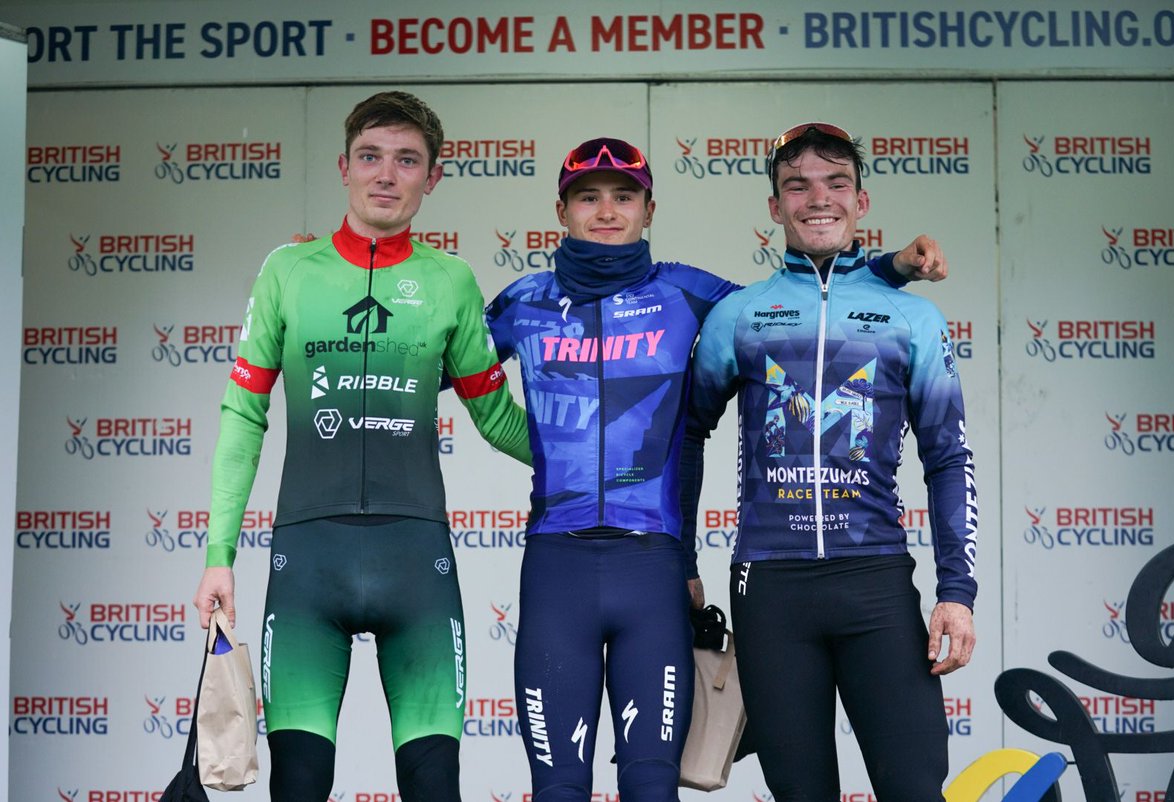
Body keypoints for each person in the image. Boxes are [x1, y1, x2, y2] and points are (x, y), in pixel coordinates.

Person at [484, 136, 947, 801]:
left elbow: (801, 302)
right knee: (558, 788)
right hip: (557, 564)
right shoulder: (524, 299)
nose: (607, 212)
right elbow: (437, 355)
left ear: (649, 208)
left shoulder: (688, 291)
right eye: (589, 197)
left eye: (623, 197)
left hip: (653, 568)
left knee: (653, 787)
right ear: (561, 210)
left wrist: (890, 267)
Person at [191, 90, 531, 802]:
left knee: (436, 785)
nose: (386, 174)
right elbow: (243, 413)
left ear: (432, 177)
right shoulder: (289, 272)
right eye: (371, 157)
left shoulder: (451, 282)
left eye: (407, 160)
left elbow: (497, 419)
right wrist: (219, 556)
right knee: (301, 786)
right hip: (308, 563)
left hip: (417, 561)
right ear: (344, 167)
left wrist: (607, 466)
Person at [685, 122, 978, 800]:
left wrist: (956, 595)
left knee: (914, 789)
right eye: (798, 186)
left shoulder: (912, 318)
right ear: (774, 207)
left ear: (862, 201)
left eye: (836, 183)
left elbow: (947, 455)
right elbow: (686, 437)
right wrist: (681, 565)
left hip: (875, 582)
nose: (818, 199)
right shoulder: (740, 315)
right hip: (771, 591)